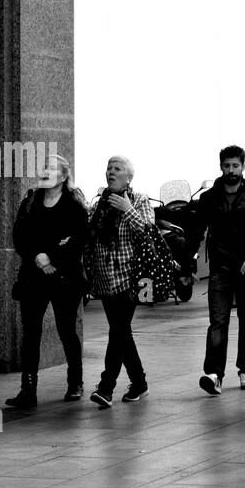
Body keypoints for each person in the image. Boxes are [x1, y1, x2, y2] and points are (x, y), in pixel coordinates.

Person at [5, 153, 89, 408]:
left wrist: (51, 256)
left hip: (65, 278)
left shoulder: (74, 205)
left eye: (50, 168)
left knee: (67, 331)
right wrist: (38, 257)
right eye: (43, 167)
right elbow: (20, 236)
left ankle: (75, 382)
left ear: (63, 176)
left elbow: (78, 240)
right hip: (34, 277)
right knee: (31, 334)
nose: (44, 171)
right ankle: (27, 390)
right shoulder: (30, 201)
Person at [195, 145, 245, 394]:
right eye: (227, 165)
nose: (231, 170)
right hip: (220, 268)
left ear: (243, 167)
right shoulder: (208, 198)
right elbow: (197, 231)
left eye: (235, 166)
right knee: (217, 322)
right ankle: (214, 373)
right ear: (221, 167)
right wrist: (188, 262)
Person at [84, 156, 157, 409]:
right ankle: (139, 382)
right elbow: (90, 239)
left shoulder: (139, 200)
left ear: (129, 177)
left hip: (129, 278)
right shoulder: (99, 204)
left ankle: (106, 388)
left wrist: (128, 210)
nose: (111, 172)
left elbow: (149, 234)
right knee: (121, 333)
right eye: (108, 168)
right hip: (104, 280)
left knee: (118, 331)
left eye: (117, 169)